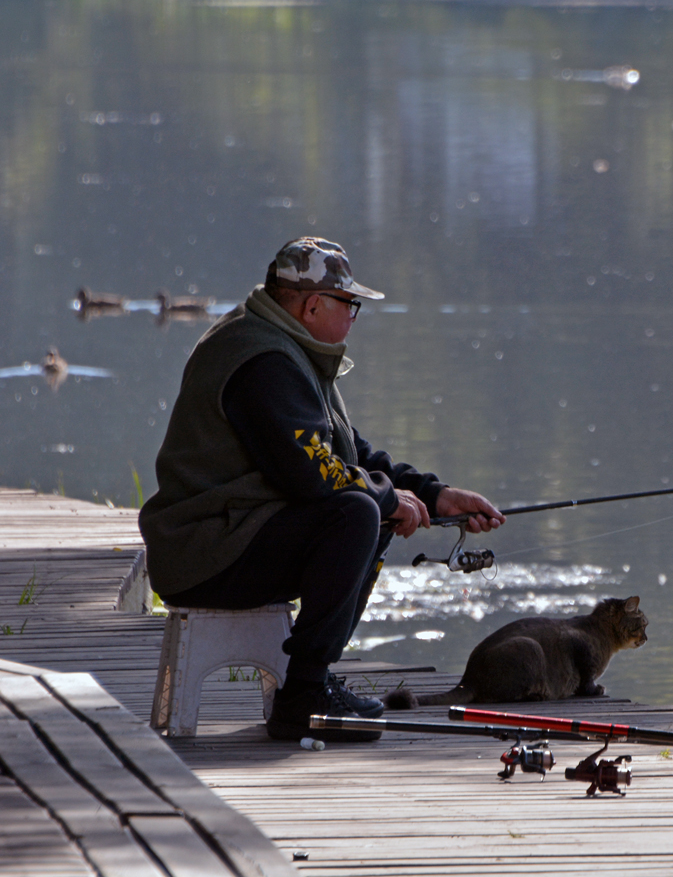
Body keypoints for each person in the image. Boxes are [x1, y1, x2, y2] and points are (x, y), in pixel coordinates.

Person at [139, 237, 504, 742]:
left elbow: (350, 455)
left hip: (234, 538)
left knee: (367, 505)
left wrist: (436, 496)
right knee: (356, 512)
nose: (355, 316)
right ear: (313, 305)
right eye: (349, 304)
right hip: (202, 551)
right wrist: (387, 499)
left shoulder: (286, 346)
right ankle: (304, 697)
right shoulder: (261, 361)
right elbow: (314, 475)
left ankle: (313, 681)